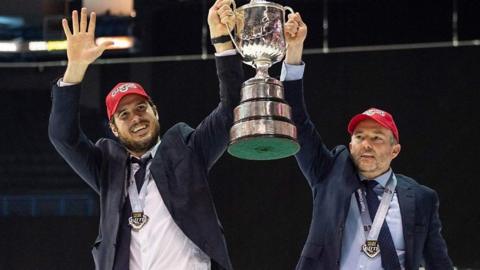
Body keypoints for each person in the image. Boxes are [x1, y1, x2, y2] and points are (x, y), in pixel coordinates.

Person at [48, 1, 242, 269]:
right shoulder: (107, 168)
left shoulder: (188, 150)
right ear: (114, 128)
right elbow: (62, 136)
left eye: (141, 108)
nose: (136, 117)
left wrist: (222, 41)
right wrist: (75, 70)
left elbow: (230, 109)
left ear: (155, 112)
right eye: (124, 115)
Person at [281, 13, 453, 270]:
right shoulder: (327, 174)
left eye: (377, 138)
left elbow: (438, 262)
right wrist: (294, 52)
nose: (366, 144)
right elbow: (296, 120)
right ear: (350, 146)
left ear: (395, 150)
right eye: (359, 137)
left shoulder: (420, 198)